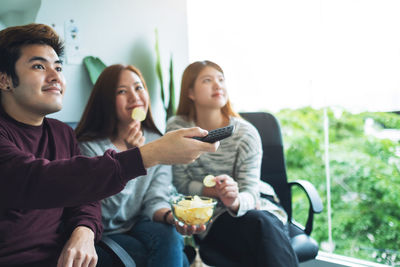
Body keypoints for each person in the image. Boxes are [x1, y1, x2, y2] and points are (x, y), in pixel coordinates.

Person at [0, 24, 218, 266]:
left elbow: (85, 199)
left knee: (169, 239)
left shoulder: (62, 133)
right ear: (5, 80)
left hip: (67, 253)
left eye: (58, 67)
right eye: (39, 66)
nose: (55, 76)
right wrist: (147, 155)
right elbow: (39, 180)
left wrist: (83, 231)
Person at [166, 60, 299, 267]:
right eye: (207, 80)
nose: (218, 85)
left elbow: (251, 193)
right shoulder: (178, 130)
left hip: (254, 207)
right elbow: (181, 183)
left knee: (262, 224)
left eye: (221, 79)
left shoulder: (246, 134)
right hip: (214, 219)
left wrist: (234, 200)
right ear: (190, 92)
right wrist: (212, 191)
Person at [75, 64, 202, 266]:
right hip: (105, 232)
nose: (134, 97)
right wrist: (131, 158)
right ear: (106, 100)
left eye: (138, 87)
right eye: (122, 91)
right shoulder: (89, 148)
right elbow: (107, 213)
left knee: (168, 233)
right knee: (175, 256)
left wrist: (172, 217)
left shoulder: (158, 141)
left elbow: (155, 200)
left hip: (140, 224)